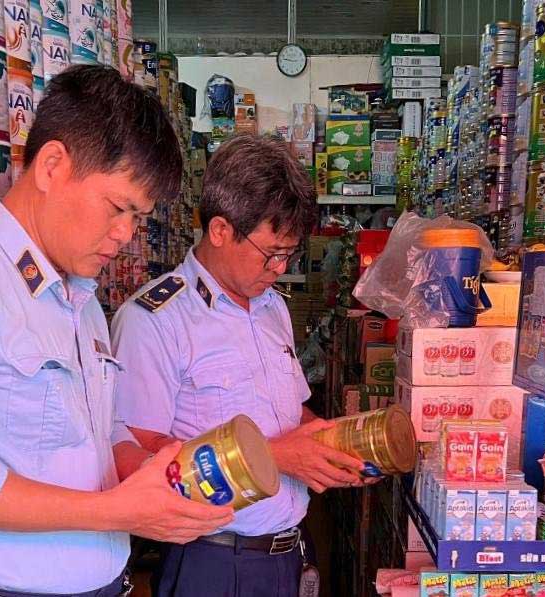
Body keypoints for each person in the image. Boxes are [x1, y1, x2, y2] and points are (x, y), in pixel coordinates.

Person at [0, 66, 234, 597]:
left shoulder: (78, 298)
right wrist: (113, 511)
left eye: (139, 217)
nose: (126, 235)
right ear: (53, 165)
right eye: (118, 207)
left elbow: (98, 433)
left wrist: (155, 469)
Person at [112, 135, 372, 597]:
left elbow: (291, 415)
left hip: (290, 550)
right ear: (219, 230)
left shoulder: (272, 307)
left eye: (289, 253)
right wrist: (275, 456)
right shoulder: (154, 320)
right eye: (271, 251)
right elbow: (139, 455)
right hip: (213, 560)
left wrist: (332, 442)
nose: (279, 267)